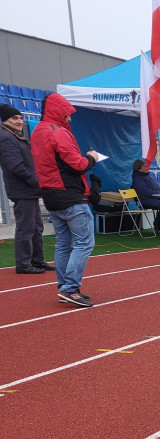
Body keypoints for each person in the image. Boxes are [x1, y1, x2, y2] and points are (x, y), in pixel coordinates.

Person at [29, 92, 98, 308]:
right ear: (59, 112)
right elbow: (78, 164)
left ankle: (65, 287)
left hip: (51, 194)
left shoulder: (38, 131)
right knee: (84, 242)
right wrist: (92, 158)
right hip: (69, 194)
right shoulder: (56, 132)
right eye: (67, 114)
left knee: (63, 244)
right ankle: (69, 288)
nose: (70, 118)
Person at [0, 103, 52, 273]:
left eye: (21, 117)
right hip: (23, 190)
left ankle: (37, 260)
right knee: (26, 227)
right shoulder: (6, 137)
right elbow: (16, 166)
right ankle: (23, 264)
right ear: (5, 120)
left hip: (28, 190)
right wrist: (36, 182)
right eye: (15, 118)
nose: (19, 121)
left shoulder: (13, 135)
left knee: (36, 226)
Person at [130, 158, 160, 236]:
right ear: (139, 168)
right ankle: (158, 225)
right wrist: (159, 195)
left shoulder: (148, 176)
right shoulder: (137, 178)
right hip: (145, 200)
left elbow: (158, 187)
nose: (147, 167)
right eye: (144, 166)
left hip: (155, 198)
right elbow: (145, 191)